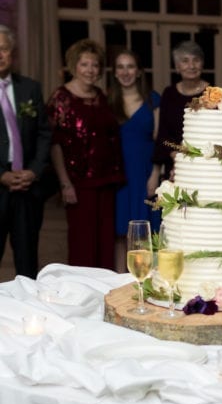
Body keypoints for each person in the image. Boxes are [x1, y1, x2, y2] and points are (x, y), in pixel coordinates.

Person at [47, 39, 124, 269]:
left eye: (95, 65)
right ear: (74, 66)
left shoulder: (101, 96)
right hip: (79, 183)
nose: (90, 70)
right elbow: (54, 144)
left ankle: (104, 298)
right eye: (84, 64)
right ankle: (81, 299)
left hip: (108, 180)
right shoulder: (61, 98)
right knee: (83, 244)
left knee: (105, 245)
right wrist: (64, 183)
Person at [0, 25, 52, 278]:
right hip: (0, 182)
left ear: (12, 53)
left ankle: (29, 315)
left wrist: (34, 170)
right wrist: (1, 174)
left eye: (3, 48)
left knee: (27, 261)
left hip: (27, 186)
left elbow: (44, 133)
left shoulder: (29, 88)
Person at [108, 48, 161, 272]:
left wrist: (155, 175)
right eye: (121, 67)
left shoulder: (153, 99)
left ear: (139, 72)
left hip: (145, 171)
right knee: (120, 232)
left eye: (130, 66)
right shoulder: (107, 100)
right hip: (118, 173)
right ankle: (120, 282)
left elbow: (159, 140)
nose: (125, 71)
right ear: (115, 72)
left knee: (147, 233)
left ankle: (147, 284)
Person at [153, 41, 210, 182]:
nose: (191, 66)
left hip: (206, 166)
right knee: (180, 204)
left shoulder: (213, 93)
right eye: (185, 61)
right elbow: (163, 136)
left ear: (202, 65)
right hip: (175, 166)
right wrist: (178, 154)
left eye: (196, 60)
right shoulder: (169, 94)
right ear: (177, 67)